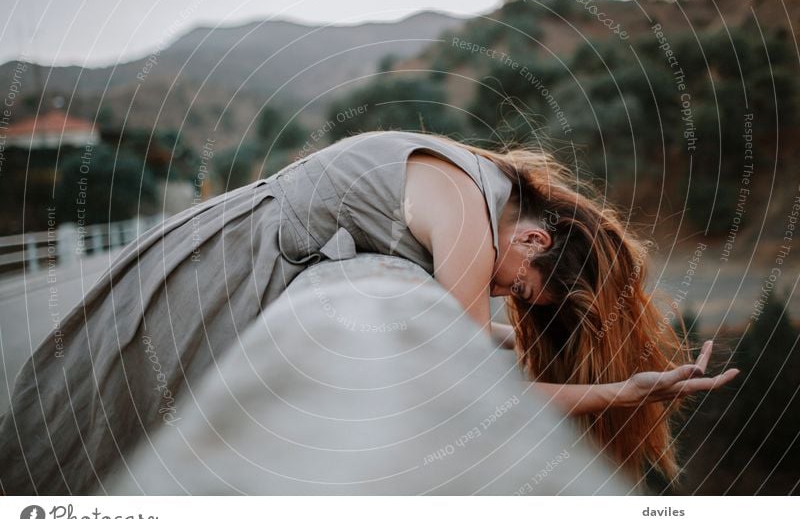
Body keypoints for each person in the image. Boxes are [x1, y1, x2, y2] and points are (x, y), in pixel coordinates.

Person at [0, 129, 738, 495]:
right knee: (114, 403)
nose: (503, 290)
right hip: (229, 270)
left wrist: (578, 363)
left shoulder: (478, 187)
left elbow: (473, 334)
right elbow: (472, 377)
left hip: (241, 258)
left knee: (118, 408)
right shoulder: (472, 225)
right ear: (534, 238)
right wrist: (613, 393)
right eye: (521, 286)